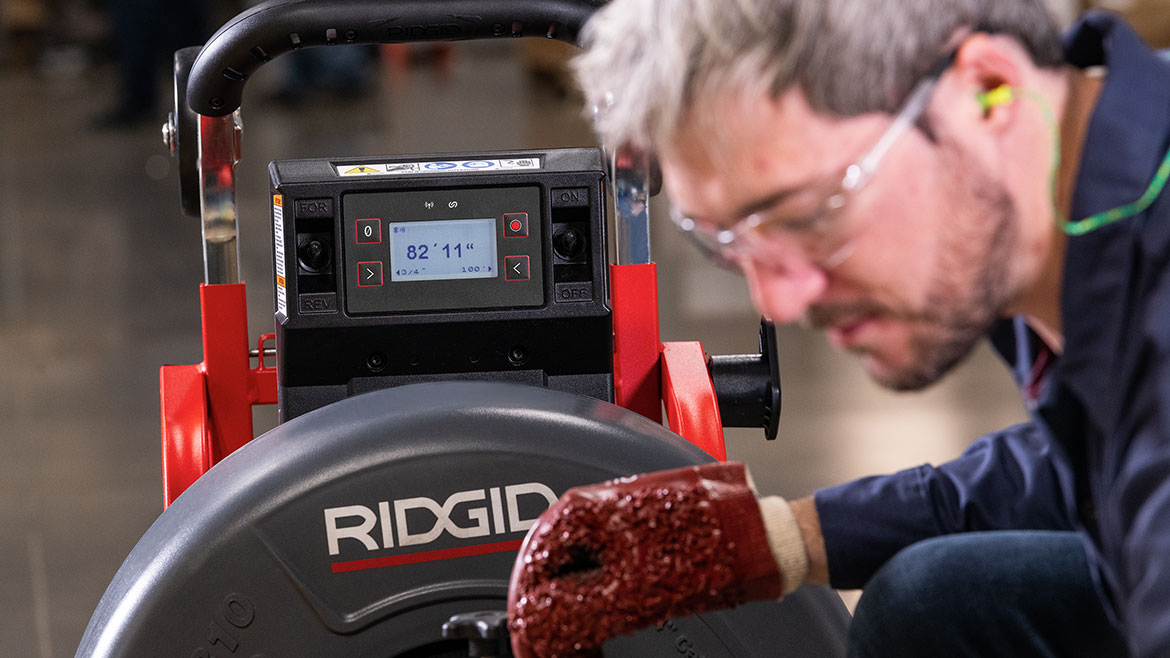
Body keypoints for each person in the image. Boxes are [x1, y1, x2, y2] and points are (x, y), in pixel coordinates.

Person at [506, 1, 1170, 656]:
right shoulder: (1071, 211)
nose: (779, 301)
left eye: (806, 215)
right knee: (934, 603)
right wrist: (780, 537)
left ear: (986, 90)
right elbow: (1089, 466)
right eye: (729, 243)